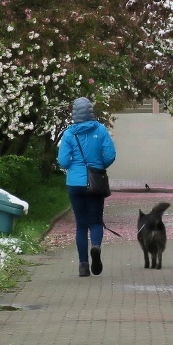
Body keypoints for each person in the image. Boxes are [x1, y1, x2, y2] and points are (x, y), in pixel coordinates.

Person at [57, 97, 117, 277]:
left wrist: (73, 167)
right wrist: (98, 166)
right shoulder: (100, 129)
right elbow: (111, 155)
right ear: (91, 111)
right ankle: (96, 247)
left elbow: (63, 161)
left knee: (81, 225)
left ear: (75, 113)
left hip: (75, 184)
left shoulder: (69, 134)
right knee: (96, 221)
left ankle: (83, 265)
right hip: (95, 183)